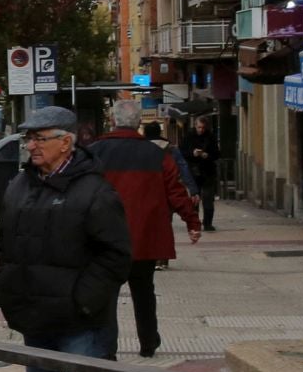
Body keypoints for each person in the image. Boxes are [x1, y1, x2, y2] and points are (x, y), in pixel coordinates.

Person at [0, 105, 132, 372]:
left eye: (39, 138)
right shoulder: (18, 186)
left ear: (66, 141)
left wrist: (82, 299)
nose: (31, 146)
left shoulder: (95, 190)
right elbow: (5, 246)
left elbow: (115, 256)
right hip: (34, 314)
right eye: (28, 139)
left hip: (78, 319)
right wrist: (5, 288)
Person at [89, 101, 201, 358]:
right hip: (145, 238)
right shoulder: (157, 154)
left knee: (107, 295)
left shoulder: (95, 152)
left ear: (113, 121)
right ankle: (148, 343)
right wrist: (192, 222)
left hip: (105, 239)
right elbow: (175, 191)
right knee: (144, 292)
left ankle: (107, 350)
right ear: (138, 123)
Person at [179, 116, 220, 231]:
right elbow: (182, 152)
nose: (201, 130)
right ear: (195, 126)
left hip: (208, 171)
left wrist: (207, 155)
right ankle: (195, 223)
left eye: (203, 127)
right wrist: (193, 154)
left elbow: (217, 153)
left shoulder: (210, 136)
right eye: (199, 127)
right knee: (194, 199)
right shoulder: (188, 136)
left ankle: (207, 223)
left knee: (208, 199)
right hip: (193, 171)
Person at [143, 121, 197, 198]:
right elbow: (184, 168)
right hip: (168, 190)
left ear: (145, 133)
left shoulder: (139, 149)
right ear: (159, 133)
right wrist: (193, 190)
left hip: (146, 190)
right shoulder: (171, 149)